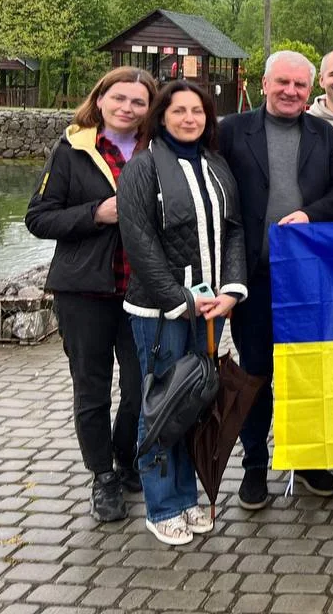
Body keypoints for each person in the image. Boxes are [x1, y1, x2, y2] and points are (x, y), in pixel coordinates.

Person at [219, 51, 333, 510]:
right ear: (264, 84)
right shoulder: (232, 131)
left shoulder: (325, 136)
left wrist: (311, 214)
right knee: (255, 374)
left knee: (308, 374)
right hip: (253, 278)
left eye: (299, 85)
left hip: (308, 279)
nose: (291, 91)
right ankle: (255, 464)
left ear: (309, 89)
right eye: (282, 82)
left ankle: (308, 457)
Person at [116, 81, 248, 546]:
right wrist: (178, 300)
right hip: (161, 311)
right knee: (161, 404)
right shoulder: (143, 167)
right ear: (161, 115)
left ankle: (188, 496)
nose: (189, 119)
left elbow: (234, 230)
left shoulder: (216, 164)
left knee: (194, 402)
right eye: (179, 111)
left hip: (210, 308)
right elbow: (139, 242)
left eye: (198, 111)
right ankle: (162, 505)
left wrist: (231, 290)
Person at [25, 67, 158, 523]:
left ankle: (125, 454)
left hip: (142, 292)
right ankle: (103, 476)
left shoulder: (158, 150)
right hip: (84, 291)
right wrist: (96, 213)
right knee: (92, 388)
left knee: (141, 385)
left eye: (138, 102)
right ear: (100, 99)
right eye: (119, 98)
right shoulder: (72, 149)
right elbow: (38, 218)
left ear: (150, 109)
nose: (127, 108)